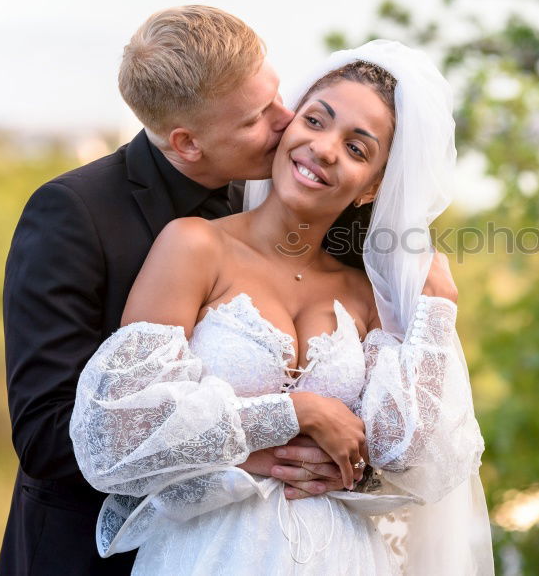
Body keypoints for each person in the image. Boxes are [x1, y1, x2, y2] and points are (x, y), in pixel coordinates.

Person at [70, 41, 493, 574]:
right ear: (288, 126)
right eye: (316, 121)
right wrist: (298, 413)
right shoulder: (194, 247)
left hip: (344, 558)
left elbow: (416, 459)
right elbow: (116, 434)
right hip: (208, 556)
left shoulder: (365, 296)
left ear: (373, 188)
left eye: (358, 149)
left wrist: (434, 312)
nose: (325, 148)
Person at [0, 5, 339, 575]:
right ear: (186, 143)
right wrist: (248, 444)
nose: (287, 122)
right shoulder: (71, 215)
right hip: (89, 555)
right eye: (257, 117)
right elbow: (45, 435)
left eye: (278, 94)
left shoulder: (267, 195)